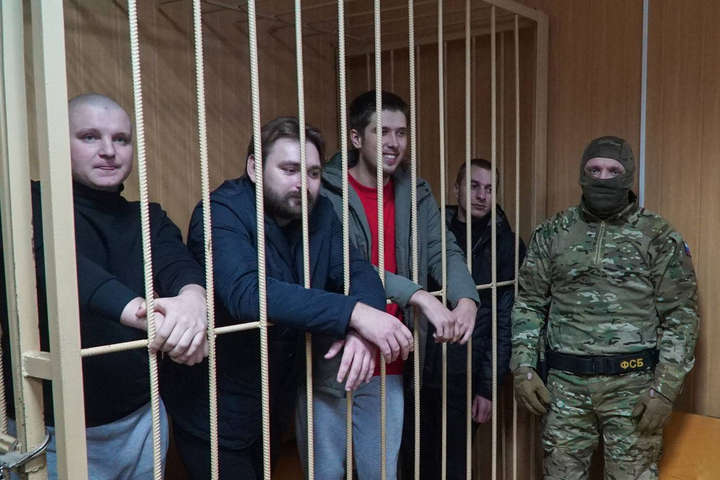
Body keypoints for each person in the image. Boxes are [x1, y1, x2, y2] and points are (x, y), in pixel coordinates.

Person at [162, 116, 413, 479]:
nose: (303, 183)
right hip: (214, 408)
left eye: (313, 173)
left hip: (273, 405)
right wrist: (354, 313)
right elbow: (247, 292)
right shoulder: (222, 210)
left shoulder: (320, 212)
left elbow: (358, 270)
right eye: (290, 169)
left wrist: (362, 330)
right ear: (254, 168)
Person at [0, 93, 208, 479]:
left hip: (142, 420)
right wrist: (158, 323)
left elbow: (179, 265)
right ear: (58, 141)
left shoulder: (147, 216)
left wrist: (195, 304)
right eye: (90, 136)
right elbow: (63, 268)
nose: (109, 150)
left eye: (121, 139)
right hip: (48, 431)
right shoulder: (23, 204)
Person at [303, 90, 479, 479]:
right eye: (382, 131)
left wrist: (466, 299)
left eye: (401, 132)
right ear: (355, 137)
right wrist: (420, 297)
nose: (394, 143)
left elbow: (443, 249)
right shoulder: (325, 190)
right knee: (325, 473)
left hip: (390, 356)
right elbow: (345, 267)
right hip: (330, 355)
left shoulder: (416, 191)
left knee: (382, 472)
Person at [511, 136, 699, 479]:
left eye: (613, 171)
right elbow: (529, 303)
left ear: (629, 176)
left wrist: (665, 389)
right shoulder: (553, 232)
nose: (603, 177)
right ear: (581, 174)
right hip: (563, 388)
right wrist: (523, 367)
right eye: (594, 169)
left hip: (634, 389)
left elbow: (681, 315)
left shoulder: (658, 235)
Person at [420, 158, 525, 479]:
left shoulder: (507, 245)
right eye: (474, 186)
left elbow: (505, 321)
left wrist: (488, 387)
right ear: (456, 188)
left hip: (467, 375)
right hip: (420, 371)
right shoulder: (431, 236)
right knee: (415, 465)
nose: (482, 195)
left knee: (454, 468)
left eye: (490, 189)